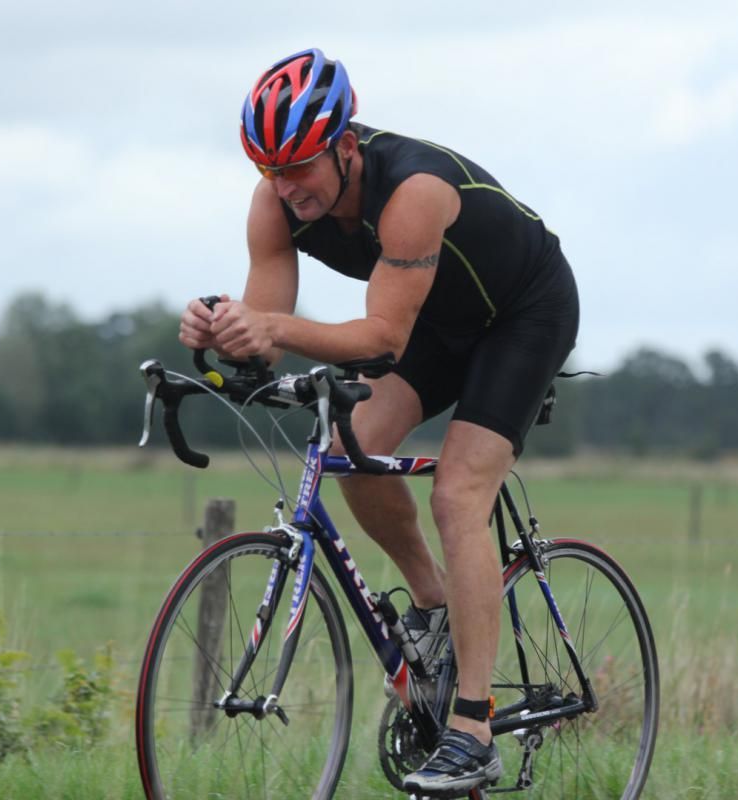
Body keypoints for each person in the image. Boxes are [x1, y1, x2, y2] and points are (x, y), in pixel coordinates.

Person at [178, 47, 579, 797]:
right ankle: (434, 606)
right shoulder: (274, 200)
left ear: (345, 146)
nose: (285, 186)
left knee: (458, 494)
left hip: (522, 315)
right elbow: (269, 320)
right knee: (350, 449)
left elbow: (382, 339)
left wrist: (272, 329)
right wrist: (223, 333)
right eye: (269, 169)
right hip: (436, 322)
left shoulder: (414, 192)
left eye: (299, 166)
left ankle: (472, 729)